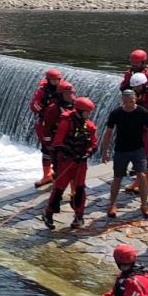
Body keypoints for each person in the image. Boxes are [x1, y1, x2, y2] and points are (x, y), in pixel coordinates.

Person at [100, 89, 148, 219]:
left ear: (136, 99)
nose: (131, 103)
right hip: (121, 150)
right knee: (117, 178)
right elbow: (108, 133)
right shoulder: (116, 113)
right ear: (123, 101)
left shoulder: (143, 112)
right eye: (128, 101)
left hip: (138, 149)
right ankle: (112, 204)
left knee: (141, 175)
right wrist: (105, 151)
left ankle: (144, 205)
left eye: (133, 100)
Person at [45, 96, 98, 231]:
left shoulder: (89, 126)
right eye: (87, 112)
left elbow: (93, 143)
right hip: (66, 161)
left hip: (80, 164)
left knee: (80, 190)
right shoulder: (66, 122)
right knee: (59, 189)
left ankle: (79, 217)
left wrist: (88, 153)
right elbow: (58, 142)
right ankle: (49, 214)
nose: (88, 114)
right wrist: (69, 154)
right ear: (79, 111)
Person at [36, 80, 76, 191]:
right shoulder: (53, 109)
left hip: (71, 141)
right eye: (68, 94)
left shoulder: (75, 105)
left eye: (72, 93)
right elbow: (47, 128)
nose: (71, 96)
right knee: (59, 168)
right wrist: (49, 144)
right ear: (61, 95)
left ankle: (74, 191)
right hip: (57, 143)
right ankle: (57, 187)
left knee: (73, 166)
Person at [30, 68, 66, 188]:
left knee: (62, 150)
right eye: (54, 80)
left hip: (62, 123)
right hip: (47, 124)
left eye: (58, 79)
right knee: (46, 149)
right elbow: (34, 107)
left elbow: (72, 101)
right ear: (49, 80)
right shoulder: (42, 91)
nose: (57, 82)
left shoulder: (65, 88)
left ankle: (60, 174)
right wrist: (43, 103)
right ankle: (47, 175)